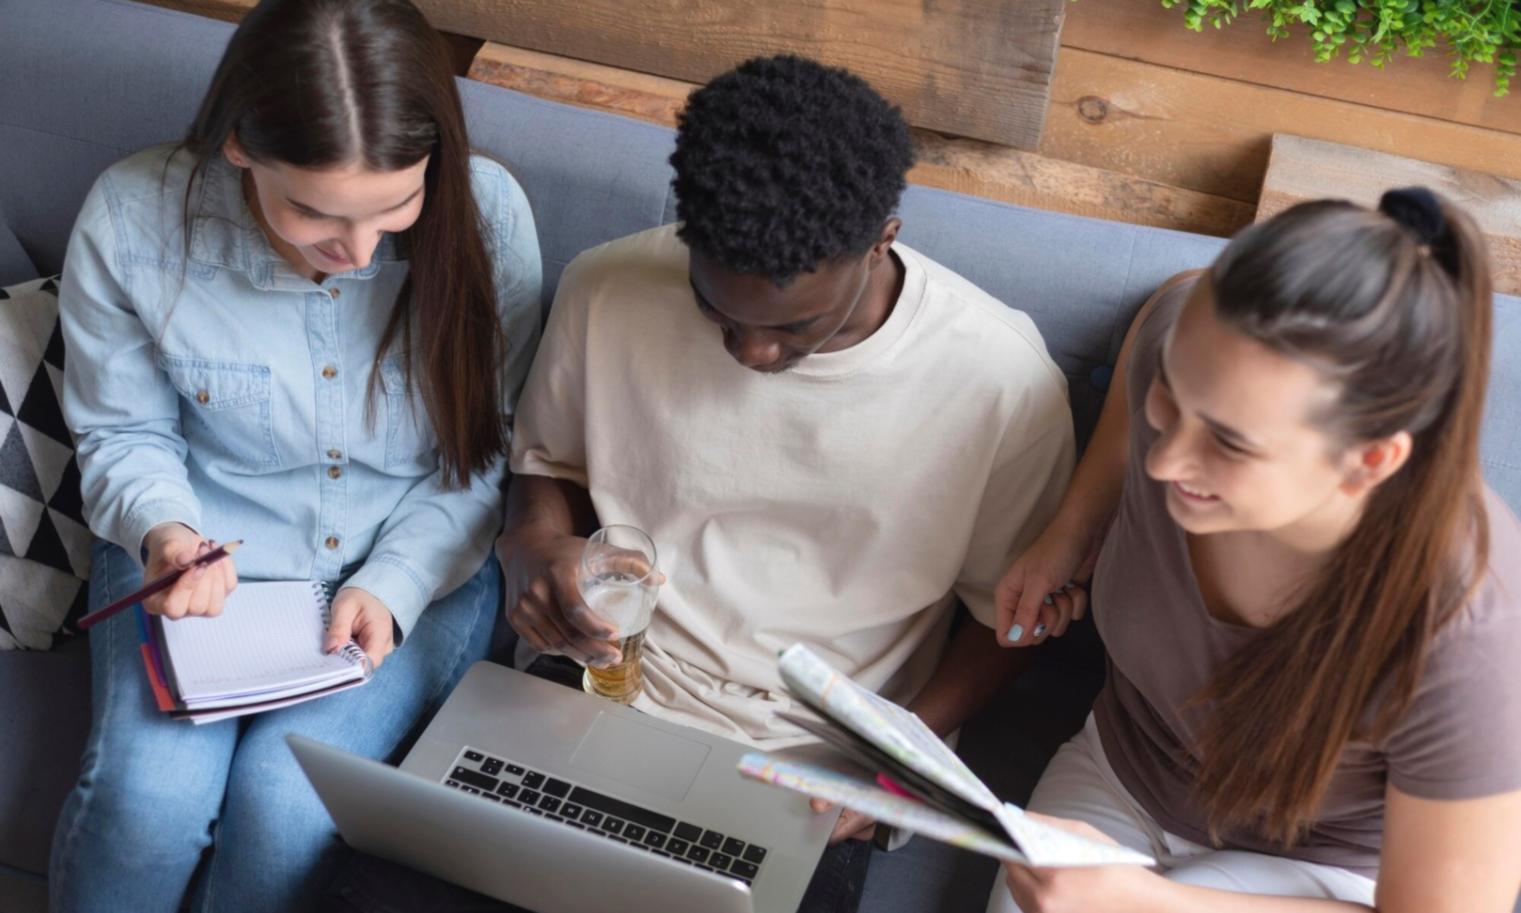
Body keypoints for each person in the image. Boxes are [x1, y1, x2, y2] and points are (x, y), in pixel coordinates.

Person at [498, 54, 1073, 909]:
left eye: (794, 323)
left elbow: (1009, 620)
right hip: (595, 691)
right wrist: (540, 541)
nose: (752, 353)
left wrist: (901, 757)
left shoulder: (999, 381)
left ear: (883, 235)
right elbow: (548, 464)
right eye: (718, 313)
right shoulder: (606, 288)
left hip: (812, 763)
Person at [49, 0, 542, 910]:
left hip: (409, 567)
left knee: (287, 806)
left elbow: (482, 459)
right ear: (240, 147)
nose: (357, 253)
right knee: (145, 803)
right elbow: (124, 433)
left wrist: (391, 585)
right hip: (197, 558)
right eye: (313, 213)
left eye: (395, 205)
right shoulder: (134, 217)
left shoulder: (492, 219)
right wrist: (165, 534)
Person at [987, 188, 1521, 912]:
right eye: (1170, 397)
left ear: (1369, 460)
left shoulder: (1472, 628)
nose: (1165, 459)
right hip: (1121, 774)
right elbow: (1166, 309)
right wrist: (1070, 529)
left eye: (1230, 442)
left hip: (1323, 866)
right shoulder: (1191, 359)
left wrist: (1149, 903)